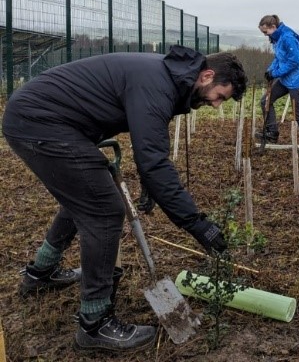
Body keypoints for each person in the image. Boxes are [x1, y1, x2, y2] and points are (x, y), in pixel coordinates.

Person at [1, 45, 247, 353]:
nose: (216, 105)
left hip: (50, 120)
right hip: (40, 122)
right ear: (207, 76)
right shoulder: (158, 83)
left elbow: (150, 144)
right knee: (104, 210)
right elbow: (154, 161)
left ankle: (42, 272)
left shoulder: (167, 78)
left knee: (85, 194)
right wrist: (196, 224)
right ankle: (95, 323)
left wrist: (149, 182)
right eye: (220, 96)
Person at [256, 14, 299, 154]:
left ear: (273, 27)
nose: (264, 34)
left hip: (297, 82)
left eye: (265, 31)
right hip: (285, 80)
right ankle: (272, 132)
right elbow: (278, 58)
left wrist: (276, 73)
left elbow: (295, 61)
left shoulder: (287, 38)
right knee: (266, 101)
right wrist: (270, 71)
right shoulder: (276, 39)